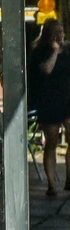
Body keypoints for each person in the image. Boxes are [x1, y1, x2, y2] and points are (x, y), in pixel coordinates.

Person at [32, 19, 70, 198]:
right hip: (49, 102)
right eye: (56, 32)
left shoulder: (68, 50)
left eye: (61, 32)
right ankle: (52, 184)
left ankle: (69, 178)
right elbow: (46, 70)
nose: (60, 35)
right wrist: (55, 51)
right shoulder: (41, 51)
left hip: (67, 99)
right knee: (52, 142)